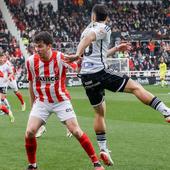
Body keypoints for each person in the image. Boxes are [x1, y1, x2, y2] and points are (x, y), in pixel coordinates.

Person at [65, 4, 170, 166]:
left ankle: (103, 148)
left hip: (86, 76)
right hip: (100, 72)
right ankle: (166, 112)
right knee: (136, 87)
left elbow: (97, 51)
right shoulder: (104, 27)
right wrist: (77, 54)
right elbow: (90, 39)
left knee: (99, 112)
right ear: (105, 18)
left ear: (93, 16)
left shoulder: (85, 29)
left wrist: (115, 48)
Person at [25, 31, 104, 170]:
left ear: (49, 46)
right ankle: (32, 165)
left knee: (76, 131)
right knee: (30, 132)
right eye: (35, 46)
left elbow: (78, 68)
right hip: (42, 102)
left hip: (61, 101)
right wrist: (32, 106)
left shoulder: (61, 58)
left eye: (40, 46)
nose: (37, 49)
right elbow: (31, 84)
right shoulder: (31, 61)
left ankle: (96, 163)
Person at [0, 52, 15, 122]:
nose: (0, 59)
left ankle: (8, 110)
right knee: (1, 100)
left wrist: (8, 78)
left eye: (1, 58)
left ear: (3, 58)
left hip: (3, 85)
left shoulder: (6, 66)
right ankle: (8, 111)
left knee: (2, 99)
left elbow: (12, 73)